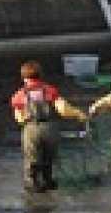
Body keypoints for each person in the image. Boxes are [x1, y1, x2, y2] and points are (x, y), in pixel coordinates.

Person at [10, 61, 87, 192]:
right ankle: (48, 180)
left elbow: (19, 118)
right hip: (50, 128)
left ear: (23, 78)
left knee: (32, 158)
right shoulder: (49, 90)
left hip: (31, 128)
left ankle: (33, 184)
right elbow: (63, 110)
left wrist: (25, 120)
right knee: (48, 158)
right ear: (40, 75)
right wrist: (79, 114)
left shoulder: (19, 95)